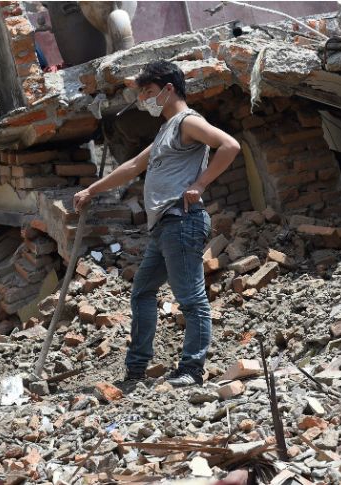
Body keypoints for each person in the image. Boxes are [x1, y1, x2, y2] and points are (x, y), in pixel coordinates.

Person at [73, 60, 240, 387]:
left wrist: (201, 184)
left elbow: (229, 146)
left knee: (190, 299)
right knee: (142, 292)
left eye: (149, 92)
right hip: (165, 228)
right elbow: (134, 165)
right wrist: (92, 189)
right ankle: (136, 370)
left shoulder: (188, 122)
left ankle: (192, 370)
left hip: (183, 221)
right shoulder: (167, 130)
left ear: (169, 88)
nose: (145, 99)